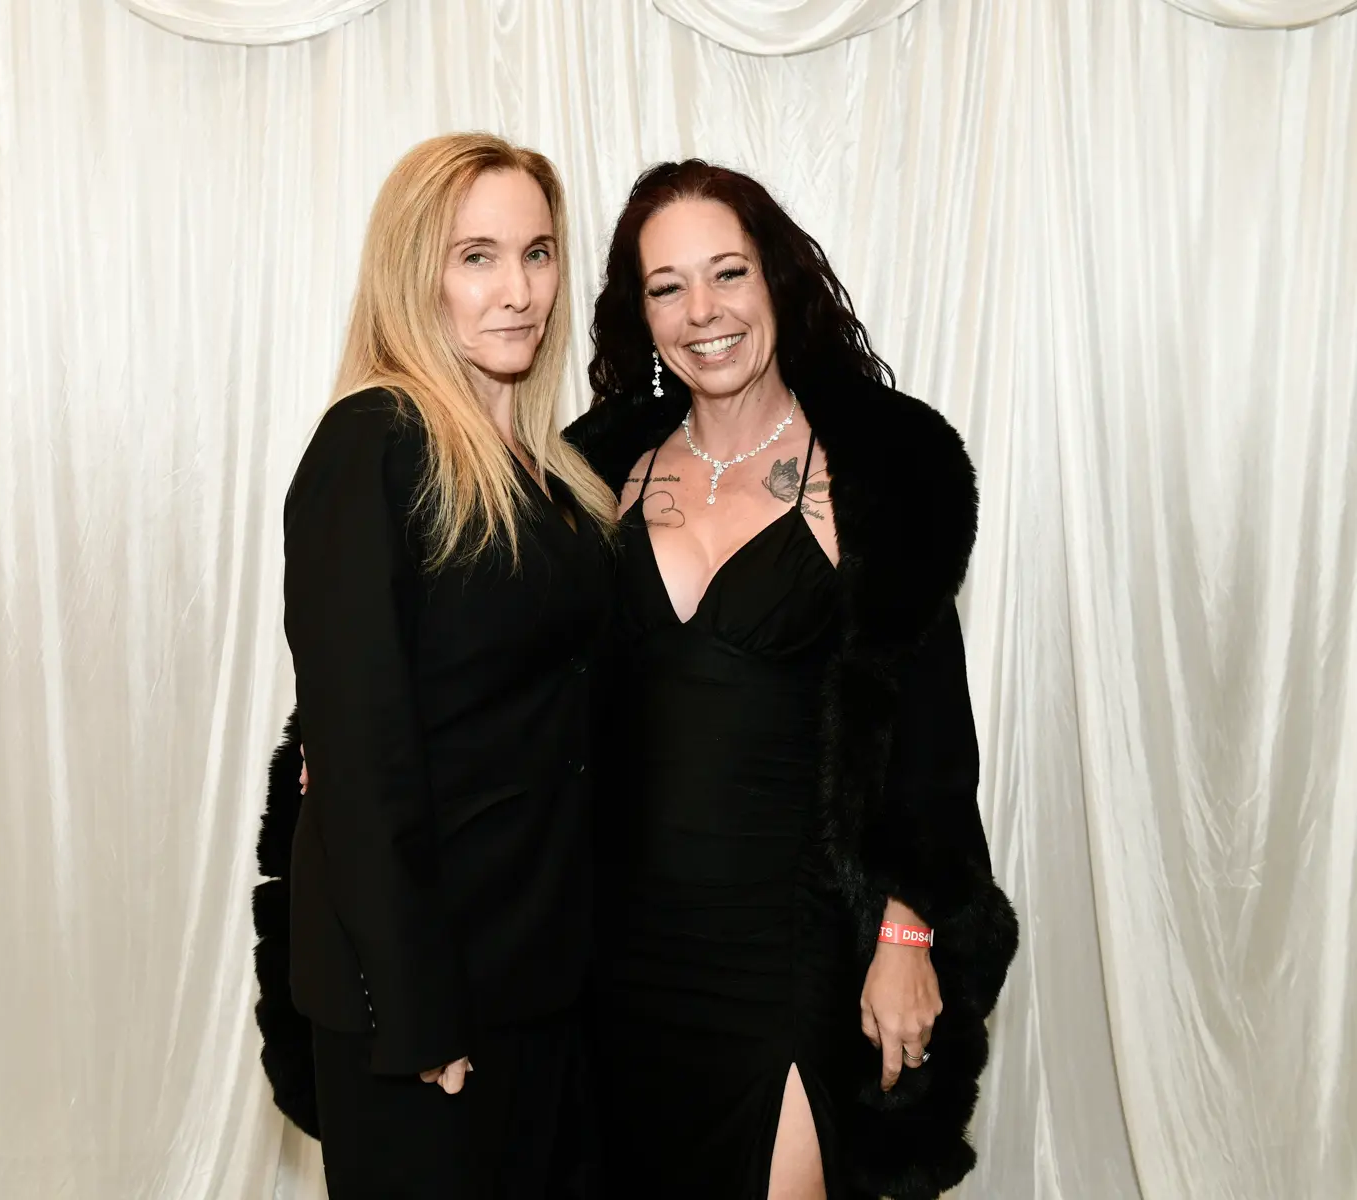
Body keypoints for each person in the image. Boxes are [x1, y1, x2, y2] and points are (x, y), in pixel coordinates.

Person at [564, 161, 1018, 1200]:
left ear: (775, 278)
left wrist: (907, 929)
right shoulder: (592, 474)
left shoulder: (880, 473)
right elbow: (516, 666)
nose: (703, 311)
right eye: (668, 286)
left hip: (791, 941)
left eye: (727, 273)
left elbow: (928, 738)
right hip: (620, 948)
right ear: (641, 313)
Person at [254, 133, 619, 1199]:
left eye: (538, 253)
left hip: (543, 972)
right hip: (425, 992)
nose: (519, 291)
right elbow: (359, 756)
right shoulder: (374, 444)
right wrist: (415, 1008)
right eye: (477, 257)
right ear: (416, 274)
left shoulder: (551, 474)